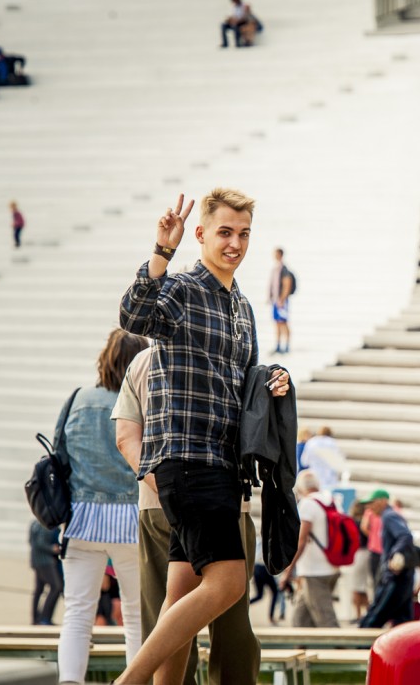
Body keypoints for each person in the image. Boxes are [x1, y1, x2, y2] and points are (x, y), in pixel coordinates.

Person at [115, 189, 291, 685]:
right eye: (225, 232)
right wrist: (162, 251)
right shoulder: (183, 289)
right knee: (229, 582)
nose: (235, 243)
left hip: (221, 464)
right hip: (190, 459)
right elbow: (132, 317)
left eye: (244, 234)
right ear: (201, 234)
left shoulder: (243, 307)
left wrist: (272, 381)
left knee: (180, 598)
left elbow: (245, 383)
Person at [114, 345, 260, 685]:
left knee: (166, 609)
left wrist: (162, 487)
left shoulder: (143, 362)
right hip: (221, 501)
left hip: (158, 503)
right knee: (230, 619)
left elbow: (125, 438)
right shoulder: (223, 351)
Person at [55, 328, 148, 682]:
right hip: (131, 522)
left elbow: (60, 457)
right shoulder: (143, 404)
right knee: (136, 616)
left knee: (77, 614)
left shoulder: (78, 399)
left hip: (82, 520)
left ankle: (70, 681)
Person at [279, 471, 341, 627]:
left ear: (300, 488)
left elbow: (301, 541)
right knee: (300, 620)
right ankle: (299, 641)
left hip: (314, 572)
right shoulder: (331, 501)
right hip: (332, 567)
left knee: (327, 621)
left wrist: (288, 571)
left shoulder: (307, 504)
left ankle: (340, 643)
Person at [358, 490, 415, 628]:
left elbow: (405, 536)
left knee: (376, 616)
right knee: (402, 619)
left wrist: (395, 554)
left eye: (372, 503)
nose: (368, 507)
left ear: (382, 501)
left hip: (394, 576)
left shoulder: (389, 516)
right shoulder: (388, 515)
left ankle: (362, 638)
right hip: (400, 574)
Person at [29, 520, 63, 625]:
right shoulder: (45, 523)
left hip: (36, 560)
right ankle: (45, 618)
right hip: (46, 561)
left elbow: (31, 541)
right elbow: (40, 543)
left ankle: (36, 618)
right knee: (56, 587)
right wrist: (53, 549)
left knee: (39, 589)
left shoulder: (34, 524)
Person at [301, 426, 346, 493]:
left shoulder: (311, 442)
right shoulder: (332, 443)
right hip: (329, 478)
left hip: (315, 476)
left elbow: (304, 462)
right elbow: (338, 461)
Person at [348, 498, 371, 623]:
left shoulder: (354, 521)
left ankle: (358, 614)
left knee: (356, 586)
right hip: (367, 552)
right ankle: (368, 613)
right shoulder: (366, 520)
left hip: (359, 553)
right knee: (362, 586)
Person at [269, 248, 294, 353]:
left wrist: (282, 299)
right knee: (278, 323)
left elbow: (287, 285)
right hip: (276, 300)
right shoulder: (276, 268)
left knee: (284, 322)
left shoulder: (284, 269)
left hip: (281, 301)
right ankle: (278, 345)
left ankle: (287, 346)